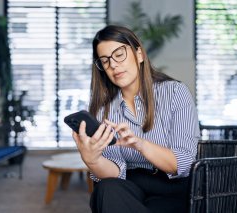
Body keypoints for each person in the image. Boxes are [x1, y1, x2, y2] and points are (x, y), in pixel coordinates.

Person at [72, 25, 200, 213]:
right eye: (105, 61)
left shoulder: (175, 93)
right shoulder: (102, 110)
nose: (113, 65)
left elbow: (184, 163)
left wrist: (140, 144)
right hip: (132, 185)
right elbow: (115, 172)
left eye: (119, 54)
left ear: (139, 54)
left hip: (175, 186)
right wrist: (92, 160)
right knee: (106, 190)